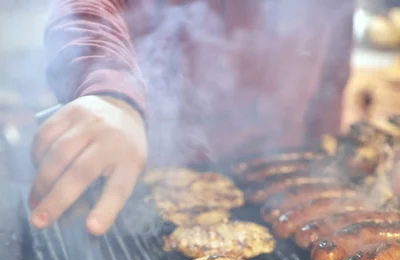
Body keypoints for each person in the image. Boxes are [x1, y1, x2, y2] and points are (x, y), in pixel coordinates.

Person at [30, 0, 355, 235]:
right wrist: (112, 92)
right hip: (155, 173)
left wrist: (330, 164)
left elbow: (331, 71)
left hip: (283, 181)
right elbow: (87, 8)